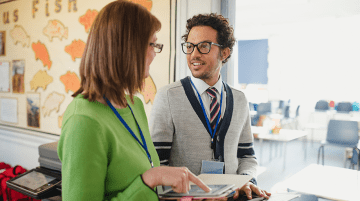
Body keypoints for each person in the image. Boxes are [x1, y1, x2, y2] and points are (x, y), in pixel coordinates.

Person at [57, 1, 210, 200]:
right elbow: (146, 182)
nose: (154, 53)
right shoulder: (84, 121)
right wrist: (149, 180)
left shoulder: (134, 105)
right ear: (127, 47)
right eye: (151, 44)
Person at [150, 13, 271, 200]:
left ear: (224, 52)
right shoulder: (168, 96)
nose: (194, 54)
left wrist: (246, 180)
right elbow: (158, 163)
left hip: (231, 196)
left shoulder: (239, 100)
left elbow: (247, 156)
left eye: (204, 46)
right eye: (189, 47)